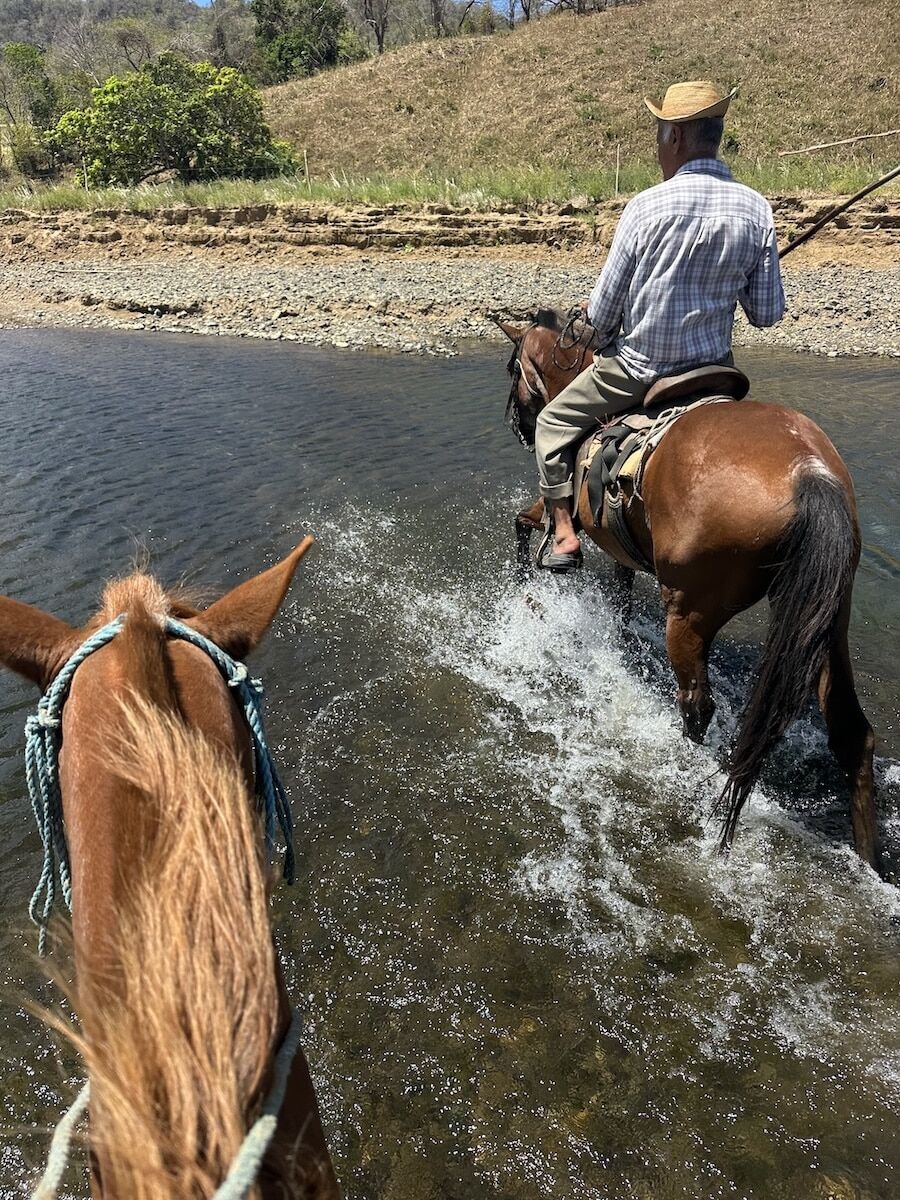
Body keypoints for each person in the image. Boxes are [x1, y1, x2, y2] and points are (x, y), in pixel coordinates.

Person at [536, 80, 785, 571]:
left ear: (675, 137)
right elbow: (766, 313)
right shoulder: (756, 208)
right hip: (714, 374)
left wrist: (598, 320)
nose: (658, 147)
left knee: (551, 423)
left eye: (659, 135)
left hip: (639, 371)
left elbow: (603, 317)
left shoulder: (645, 207)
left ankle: (563, 533)